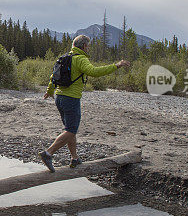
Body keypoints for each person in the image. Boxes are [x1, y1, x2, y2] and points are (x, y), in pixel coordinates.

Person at [39, 34, 129, 171]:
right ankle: (48, 153)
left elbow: (53, 76)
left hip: (59, 97)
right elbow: (94, 72)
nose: (89, 49)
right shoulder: (80, 59)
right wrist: (116, 66)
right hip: (71, 99)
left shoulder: (64, 58)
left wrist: (50, 91)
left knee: (70, 129)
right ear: (85, 46)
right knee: (70, 130)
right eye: (89, 46)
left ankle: (74, 158)